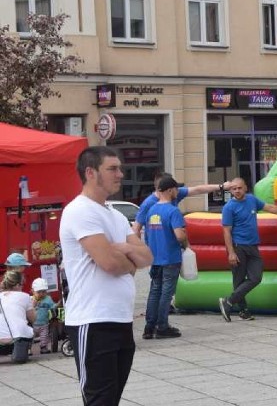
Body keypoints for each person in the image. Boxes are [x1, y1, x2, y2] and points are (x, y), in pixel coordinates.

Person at [60, 146, 153, 406]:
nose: (121, 174)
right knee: (99, 400)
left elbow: (147, 257)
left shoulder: (114, 214)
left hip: (120, 319)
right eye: (112, 169)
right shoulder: (80, 210)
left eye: (120, 168)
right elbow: (110, 264)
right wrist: (129, 257)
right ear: (90, 172)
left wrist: (123, 250)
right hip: (93, 320)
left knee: (111, 399)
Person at [217, 178, 277, 322]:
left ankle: (228, 301)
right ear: (230, 191)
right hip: (238, 246)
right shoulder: (229, 208)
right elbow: (226, 231)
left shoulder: (252, 200)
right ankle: (243, 311)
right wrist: (231, 252)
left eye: (239, 188)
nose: (237, 191)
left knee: (256, 278)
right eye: (234, 189)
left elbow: (270, 208)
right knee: (239, 280)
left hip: (253, 246)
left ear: (245, 188)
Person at [140, 176, 188, 340]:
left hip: (155, 258)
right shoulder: (173, 211)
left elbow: (147, 234)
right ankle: (162, 326)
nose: (177, 192)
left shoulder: (151, 210)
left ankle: (149, 326)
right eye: (176, 189)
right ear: (170, 190)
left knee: (154, 291)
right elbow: (179, 236)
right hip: (170, 257)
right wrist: (186, 243)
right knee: (166, 293)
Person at [132, 172, 233, 238]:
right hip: (156, 251)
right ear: (168, 189)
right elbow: (136, 228)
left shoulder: (176, 194)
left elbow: (197, 189)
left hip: (172, 248)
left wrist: (221, 186)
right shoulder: (148, 204)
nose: (177, 190)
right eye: (173, 186)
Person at [0, 270, 35, 363]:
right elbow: (33, 319)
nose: (22, 287)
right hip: (16, 339)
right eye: (21, 284)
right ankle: (22, 351)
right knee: (30, 324)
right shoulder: (25, 296)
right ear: (16, 285)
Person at [30, 277, 55, 354]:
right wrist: (32, 305)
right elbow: (27, 309)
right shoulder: (30, 299)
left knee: (44, 337)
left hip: (44, 323)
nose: (41, 294)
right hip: (32, 324)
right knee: (30, 337)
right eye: (39, 292)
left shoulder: (48, 298)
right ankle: (28, 349)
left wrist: (56, 305)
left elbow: (52, 306)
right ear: (33, 291)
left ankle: (43, 347)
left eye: (43, 292)